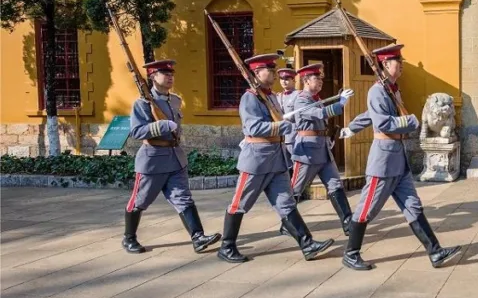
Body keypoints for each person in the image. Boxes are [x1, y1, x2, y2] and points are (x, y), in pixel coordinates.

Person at [340, 44, 461, 271]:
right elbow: (383, 122)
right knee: (367, 208)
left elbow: (369, 115)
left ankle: (435, 251)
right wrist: (410, 122)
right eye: (398, 62)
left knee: (413, 207)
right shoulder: (376, 91)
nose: (402, 66)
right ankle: (350, 253)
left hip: (399, 160)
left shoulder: (391, 90)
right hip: (383, 161)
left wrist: (352, 127)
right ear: (385, 65)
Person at [217, 53, 333, 263]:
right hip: (257, 160)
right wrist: (279, 126)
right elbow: (252, 127)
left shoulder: (270, 96)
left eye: (272, 69)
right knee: (240, 203)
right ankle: (227, 246)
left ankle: (307, 244)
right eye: (268, 70)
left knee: (286, 204)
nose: (272, 73)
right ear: (256, 73)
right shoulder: (250, 97)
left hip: (277, 159)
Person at [123, 60, 221, 255]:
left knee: (183, 198)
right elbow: (136, 132)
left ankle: (198, 237)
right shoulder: (142, 103)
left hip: (175, 157)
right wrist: (162, 126)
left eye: (171, 74)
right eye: (164, 73)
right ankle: (129, 238)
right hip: (152, 159)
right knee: (140, 200)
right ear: (152, 77)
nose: (170, 77)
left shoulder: (175, 100)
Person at [282, 63, 356, 237]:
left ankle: (347, 222)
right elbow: (319, 114)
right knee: (296, 189)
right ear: (306, 80)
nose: (321, 81)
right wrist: (341, 103)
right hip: (307, 151)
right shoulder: (302, 99)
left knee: (335, 185)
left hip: (322, 148)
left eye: (321, 78)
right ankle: (287, 223)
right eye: (317, 78)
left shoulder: (315, 99)